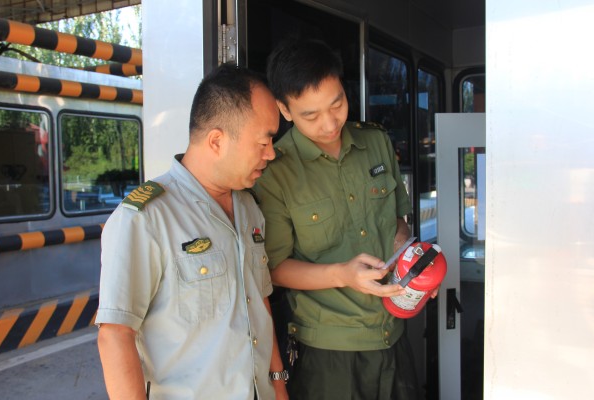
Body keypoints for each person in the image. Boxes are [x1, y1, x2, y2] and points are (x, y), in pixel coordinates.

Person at [96, 63, 288, 400]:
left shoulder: (248, 208)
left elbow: (258, 301)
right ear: (216, 141)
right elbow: (115, 335)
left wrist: (278, 383)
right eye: (263, 142)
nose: (271, 153)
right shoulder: (145, 219)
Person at [255, 38, 423, 399]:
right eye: (311, 115)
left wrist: (412, 267)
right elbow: (274, 269)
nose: (330, 123)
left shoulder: (376, 142)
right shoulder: (275, 173)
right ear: (284, 110)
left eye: (337, 104)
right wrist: (343, 274)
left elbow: (396, 223)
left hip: (393, 332)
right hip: (328, 352)